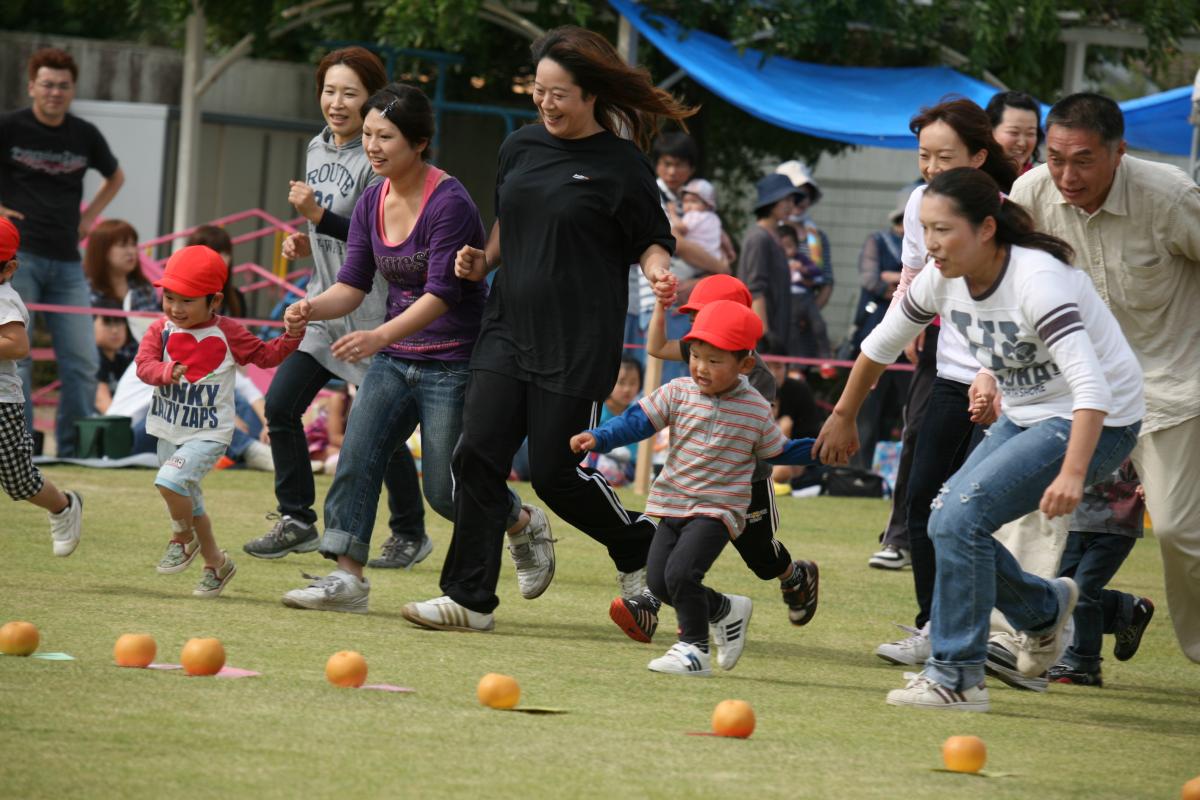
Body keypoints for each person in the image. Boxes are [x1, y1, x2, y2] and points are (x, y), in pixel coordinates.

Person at [816, 167, 1144, 711]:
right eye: (925, 229)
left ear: (986, 229)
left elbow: (1092, 387)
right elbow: (882, 343)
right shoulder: (940, 278)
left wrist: (1072, 472)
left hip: (1101, 420)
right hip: (1028, 410)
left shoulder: (1038, 281)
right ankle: (1043, 612)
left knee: (959, 518)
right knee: (947, 520)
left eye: (943, 230)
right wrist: (845, 413)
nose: (930, 243)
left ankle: (957, 677)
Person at [401, 25, 690, 634]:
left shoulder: (622, 165)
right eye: (539, 90)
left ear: (590, 96)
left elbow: (650, 238)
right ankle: (469, 599)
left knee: (556, 475)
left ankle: (636, 541)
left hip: (578, 340)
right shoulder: (522, 147)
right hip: (506, 326)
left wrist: (660, 273)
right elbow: (511, 218)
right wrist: (483, 258)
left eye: (559, 93)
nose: (546, 103)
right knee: (476, 455)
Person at [277, 81, 508, 614]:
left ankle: (519, 520)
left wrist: (379, 334)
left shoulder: (449, 202)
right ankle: (347, 578)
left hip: (451, 359)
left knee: (446, 491)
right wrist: (309, 306)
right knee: (356, 459)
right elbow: (353, 283)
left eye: (386, 137)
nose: (373, 146)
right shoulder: (371, 201)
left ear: (420, 142)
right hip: (394, 358)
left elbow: (444, 295)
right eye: (369, 135)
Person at [1011, 91, 1200, 664]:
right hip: (1068, 389)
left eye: (1084, 160)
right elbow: (1010, 289)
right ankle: (1018, 637)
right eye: (1056, 157)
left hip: (1170, 389)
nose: (1066, 175)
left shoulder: (1169, 197)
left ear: (1119, 153)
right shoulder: (1030, 194)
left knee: (1178, 533)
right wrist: (993, 375)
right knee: (1022, 511)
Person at [237, 48, 430, 569]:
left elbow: (372, 234)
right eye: (329, 90)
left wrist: (316, 214)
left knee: (380, 432)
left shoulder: (379, 158)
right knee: (279, 407)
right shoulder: (315, 148)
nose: (336, 103)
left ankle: (410, 532)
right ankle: (296, 517)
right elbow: (324, 226)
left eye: (350, 93)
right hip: (324, 308)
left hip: (372, 314)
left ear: (372, 100)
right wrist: (306, 238)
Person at [573, 300, 817, 675]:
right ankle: (725, 609)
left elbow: (778, 450)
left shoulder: (754, 406)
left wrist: (820, 451)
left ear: (745, 365)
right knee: (659, 580)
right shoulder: (678, 391)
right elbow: (637, 422)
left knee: (683, 574)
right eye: (696, 356)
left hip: (718, 508)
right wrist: (600, 437)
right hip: (673, 501)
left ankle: (694, 649)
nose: (701, 367)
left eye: (715, 361)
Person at [872, 99, 1016, 666]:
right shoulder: (918, 201)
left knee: (968, 511)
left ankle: (995, 630)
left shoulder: (1008, 214)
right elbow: (914, 269)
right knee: (923, 502)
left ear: (979, 158)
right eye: (923, 155)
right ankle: (935, 626)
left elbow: (1013, 309)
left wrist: (993, 373)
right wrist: (905, 320)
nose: (930, 167)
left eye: (944, 156)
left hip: (1010, 381)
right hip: (948, 371)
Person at [616, 272, 819, 634]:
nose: (694, 329)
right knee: (678, 551)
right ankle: (656, 600)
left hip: (744, 482)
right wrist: (661, 309)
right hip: (695, 481)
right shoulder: (703, 345)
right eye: (692, 321)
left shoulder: (755, 375)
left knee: (760, 557)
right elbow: (657, 346)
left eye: (700, 317)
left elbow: (759, 440)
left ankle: (795, 575)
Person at [134, 245, 304, 598]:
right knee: (190, 500)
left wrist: (293, 335)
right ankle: (217, 563)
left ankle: (182, 538)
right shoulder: (160, 331)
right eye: (170, 298)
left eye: (187, 301)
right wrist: (166, 371)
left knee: (169, 481)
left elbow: (266, 355)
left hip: (210, 434)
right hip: (168, 430)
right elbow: (143, 366)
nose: (176, 309)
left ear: (215, 301)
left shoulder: (228, 332)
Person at [1, 47, 125, 456]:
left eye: (63, 86)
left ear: (73, 90)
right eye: (48, 84)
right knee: (19, 359)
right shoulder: (10, 126)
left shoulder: (84, 134)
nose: (55, 92)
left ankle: (72, 451)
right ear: (32, 86)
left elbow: (115, 176)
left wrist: (91, 217)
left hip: (68, 261)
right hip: (20, 260)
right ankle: (21, 449)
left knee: (82, 361)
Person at [0, 217, 83, 554]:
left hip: (2, 403)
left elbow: (18, 346)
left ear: (9, 269)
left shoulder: (5, 299)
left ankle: (64, 506)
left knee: (18, 481)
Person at [1049, 460, 1155, 686]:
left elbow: (1163, 455)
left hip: (1116, 524)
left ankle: (1084, 664)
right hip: (1072, 519)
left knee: (1083, 590)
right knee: (1062, 591)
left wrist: (1154, 482)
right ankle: (1127, 609)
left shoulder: (1139, 427)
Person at [183, 224, 274, 472]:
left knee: (246, 405)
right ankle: (249, 451)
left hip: (228, 378)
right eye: (214, 251)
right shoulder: (182, 306)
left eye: (225, 251)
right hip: (191, 391)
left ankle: (260, 450)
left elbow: (239, 364)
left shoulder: (234, 298)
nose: (223, 258)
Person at [848, 206, 908, 474]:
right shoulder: (878, 240)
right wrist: (907, 282)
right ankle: (857, 472)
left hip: (910, 336)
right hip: (878, 330)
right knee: (868, 409)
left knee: (900, 412)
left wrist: (893, 277)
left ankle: (886, 476)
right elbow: (872, 280)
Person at [776, 161, 833, 358]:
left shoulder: (817, 236)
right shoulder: (769, 233)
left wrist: (807, 313)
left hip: (806, 316)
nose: (800, 201)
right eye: (795, 194)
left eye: (805, 195)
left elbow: (826, 282)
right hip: (774, 317)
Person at [741, 173, 799, 355]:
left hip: (778, 328)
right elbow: (755, 289)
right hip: (762, 338)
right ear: (771, 201)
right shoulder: (759, 237)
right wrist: (764, 335)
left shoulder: (775, 236)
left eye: (792, 199)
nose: (791, 205)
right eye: (786, 199)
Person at [581, 355, 643, 487]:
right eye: (621, 382)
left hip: (631, 468)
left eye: (633, 383)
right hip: (596, 463)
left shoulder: (639, 413)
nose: (627, 389)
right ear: (608, 381)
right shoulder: (597, 410)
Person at [986, 91, 1043, 174]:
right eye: (1014, 132)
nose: (1022, 143)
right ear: (990, 131)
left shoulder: (1040, 180)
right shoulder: (974, 177)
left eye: (1030, 133)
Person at [93, 299, 130, 413]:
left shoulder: (123, 361)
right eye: (107, 322)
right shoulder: (93, 360)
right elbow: (102, 402)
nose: (115, 330)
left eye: (119, 322)